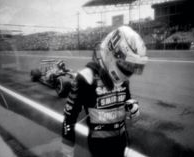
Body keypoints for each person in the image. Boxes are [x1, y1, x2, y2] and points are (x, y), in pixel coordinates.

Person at [62, 25, 148, 157]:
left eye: (133, 66)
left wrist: (132, 107)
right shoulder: (86, 77)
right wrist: (67, 153)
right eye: (126, 64)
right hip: (99, 145)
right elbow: (69, 119)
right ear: (111, 52)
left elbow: (127, 100)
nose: (129, 70)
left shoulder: (123, 79)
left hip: (121, 140)